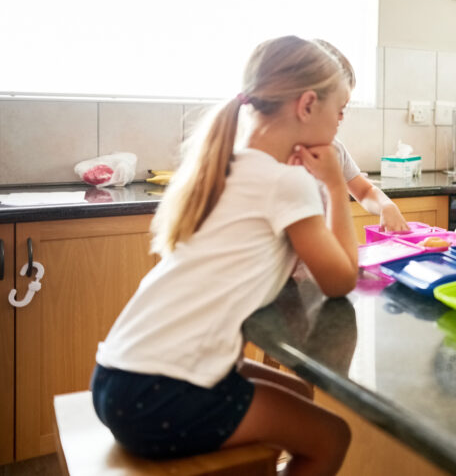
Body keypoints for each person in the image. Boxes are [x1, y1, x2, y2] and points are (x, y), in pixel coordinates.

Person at [92, 36, 358, 474]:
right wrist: (333, 183)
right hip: (160, 393)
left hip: (119, 374)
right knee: (332, 437)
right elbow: (340, 280)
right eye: (340, 109)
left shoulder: (223, 163)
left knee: (300, 395)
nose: (341, 121)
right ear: (308, 105)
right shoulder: (286, 183)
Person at [313, 39, 409, 234]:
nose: (342, 117)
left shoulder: (335, 149)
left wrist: (386, 205)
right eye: (339, 108)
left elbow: (365, 191)